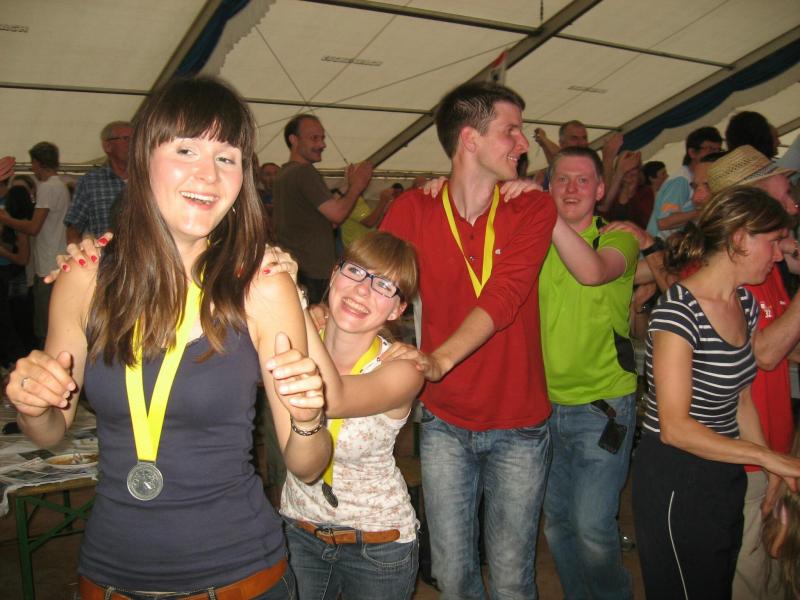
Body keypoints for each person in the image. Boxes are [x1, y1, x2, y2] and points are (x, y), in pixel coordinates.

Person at [5, 76, 333, 599]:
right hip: (111, 577)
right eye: (185, 150)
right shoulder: (85, 278)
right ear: (144, 159)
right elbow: (48, 431)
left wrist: (310, 418)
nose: (208, 173)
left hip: (242, 576)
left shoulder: (263, 286)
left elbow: (306, 467)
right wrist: (33, 403)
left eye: (226, 158)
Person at [381, 81, 556, 599]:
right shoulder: (414, 209)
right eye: (511, 131)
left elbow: (504, 296)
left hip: (519, 423)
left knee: (511, 578)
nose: (523, 143)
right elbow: (369, 279)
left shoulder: (533, 209)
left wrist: (438, 360)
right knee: (453, 576)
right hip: (445, 422)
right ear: (470, 139)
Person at [632, 186, 800, 599]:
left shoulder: (743, 302)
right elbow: (674, 428)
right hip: (677, 478)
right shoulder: (678, 312)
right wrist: (768, 457)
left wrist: (768, 468)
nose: (779, 256)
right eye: (772, 241)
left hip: (723, 472)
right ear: (740, 239)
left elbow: (741, 400)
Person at [281, 230, 424, 600]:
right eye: (356, 271)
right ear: (334, 274)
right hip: (300, 532)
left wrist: (292, 305)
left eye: (384, 285)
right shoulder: (299, 336)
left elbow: (333, 397)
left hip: (377, 544)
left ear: (398, 309)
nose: (362, 290)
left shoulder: (403, 370)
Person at [539, 147, 639, 599]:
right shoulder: (533, 244)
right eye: (561, 179)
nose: (571, 188)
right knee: (558, 524)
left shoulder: (618, 240)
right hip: (543, 408)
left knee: (592, 527)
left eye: (583, 180)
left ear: (601, 190)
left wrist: (545, 215)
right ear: (549, 186)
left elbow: (593, 273)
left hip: (603, 407)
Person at [272, 114, 373, 303]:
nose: (322, 144)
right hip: (312, 272)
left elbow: (327, 221)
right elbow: (338, 215)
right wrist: (357, 186)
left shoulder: (284, 174)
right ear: (294, 140)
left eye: (322, 138)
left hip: (297, 268)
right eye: (314, 138)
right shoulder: (304, 172)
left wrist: (348, 187)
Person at [0, 142, 69, 346]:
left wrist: (4, 218)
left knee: (44, 328)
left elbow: (33, 227)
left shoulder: (48, 187)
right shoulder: (60, 186)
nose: (32, 168)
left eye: (32, 163)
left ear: (38, 163)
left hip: (48, 265)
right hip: (55, 260)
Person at [646, 126, 722, 239]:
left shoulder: (697, 177)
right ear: (692, 152)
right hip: (661, 244)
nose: (715, 154)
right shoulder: (681, 180)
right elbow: (664, 222)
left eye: (718, 150)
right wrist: (703, 211)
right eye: (710, 149)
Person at [64, 121, 132, 244]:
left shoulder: (150, 178)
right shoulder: (90, 182)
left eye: (135, 139)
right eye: (126, 139)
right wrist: (79, 252)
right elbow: (73, 230)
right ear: (107, 146)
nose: (132, 144)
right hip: (106, 256)